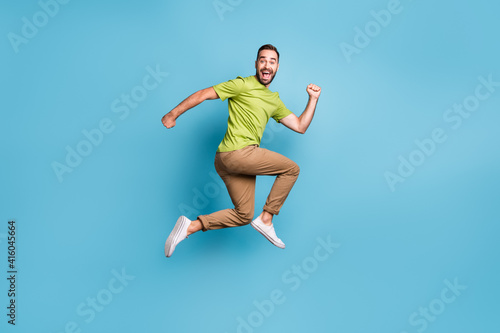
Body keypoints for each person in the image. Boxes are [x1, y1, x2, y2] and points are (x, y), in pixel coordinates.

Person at [162, 44, 321, 257]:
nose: (267, 65)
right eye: (262, 60)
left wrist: (313, 99)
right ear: (256, 64)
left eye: (272, 61)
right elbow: (203, 94)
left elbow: (300, 126)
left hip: (229, 162)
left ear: (277, 67)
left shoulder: (274, 100)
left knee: (244, 215)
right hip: (237, 153)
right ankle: (266, 219)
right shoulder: (242, 84)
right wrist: (173, 114)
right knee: (291, 169)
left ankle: (190, 226)